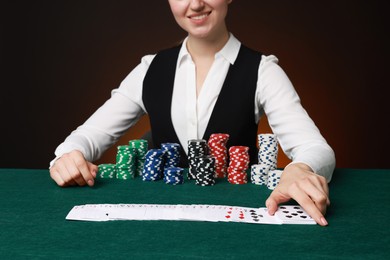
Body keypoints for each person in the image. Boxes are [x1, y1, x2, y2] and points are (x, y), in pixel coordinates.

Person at [49, 0, 335, 226]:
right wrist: (69, 154)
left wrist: (300, 168)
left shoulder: (263, 71)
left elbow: (315, 148)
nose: (195, 4)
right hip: (157, 225)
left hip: (235, 225)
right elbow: (87, 136)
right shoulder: (150, 69)